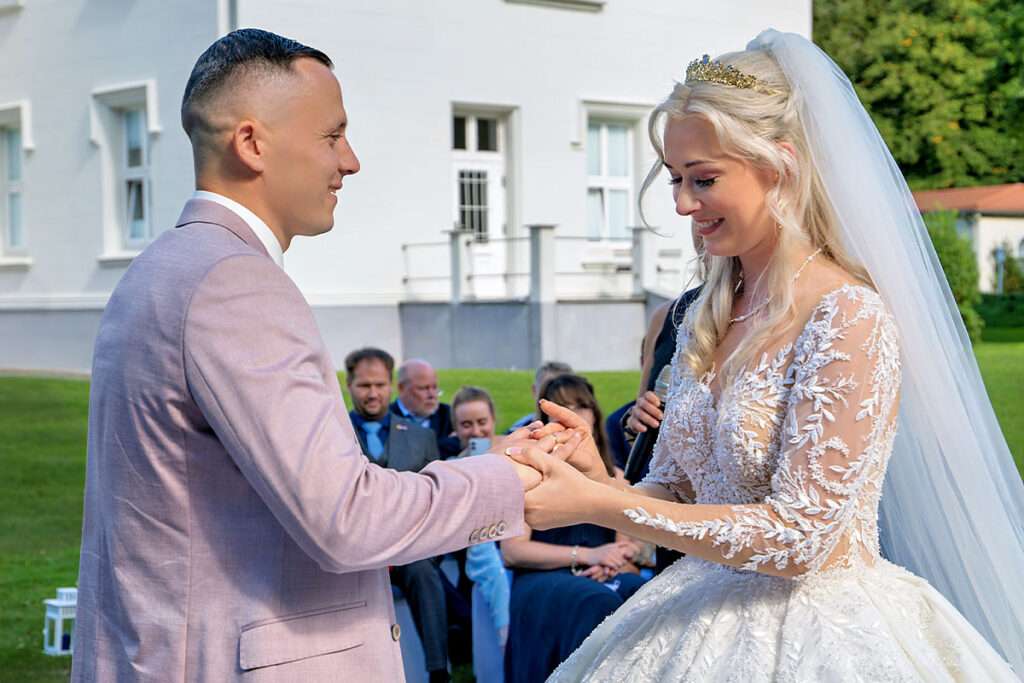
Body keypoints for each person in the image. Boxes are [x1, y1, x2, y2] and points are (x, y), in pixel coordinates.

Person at [509, 30, 1023, 681]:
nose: (682, 204)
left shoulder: (846, 315)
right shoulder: (703, 314)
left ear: (778, 166)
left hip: (824, 629)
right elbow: (677, 491)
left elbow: (802, 538)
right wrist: (598, 477)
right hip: (694, 610)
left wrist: (596, 505)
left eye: (704, 179)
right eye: (675, 179)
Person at [71, 29, 548, 682]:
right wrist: (505, 475)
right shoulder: (233, 284)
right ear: (251, 143)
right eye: (332, 135)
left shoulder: (158, 270)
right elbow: (347, 518)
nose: (351, 161)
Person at [503, 375, 646, 683]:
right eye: (563, 407)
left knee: (640, 592)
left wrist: (613, 561)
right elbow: (513, 551)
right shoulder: (530, 472)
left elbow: (625, 547)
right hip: (543, 577)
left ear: (594, 413)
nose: (573, 414)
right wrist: (587, 555)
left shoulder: (614, 475)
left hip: (600, 574)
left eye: (581, 406)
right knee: (596, 601)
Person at [345, 347, 450, 683]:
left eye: (379, 385)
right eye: (364, 385)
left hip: (408, 547)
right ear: (349, 385)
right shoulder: (332, 435)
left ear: (391, 385)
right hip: (351, 549)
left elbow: (438, 499)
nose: (372, 393)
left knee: (423, 571)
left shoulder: (421, 437)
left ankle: (438, 671)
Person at [391, 358, 454, 441]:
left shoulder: (450, 416)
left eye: (434, 388)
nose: (432, 395)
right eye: (423, 388)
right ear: (401, 388)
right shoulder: (386, 418)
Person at [507, 361, 573, 432]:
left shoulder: (579, 431)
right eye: (548, 389)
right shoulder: (516, 432)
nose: (556, 397)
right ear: (534, 391)